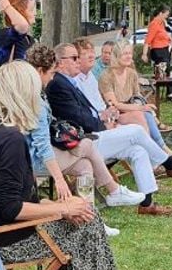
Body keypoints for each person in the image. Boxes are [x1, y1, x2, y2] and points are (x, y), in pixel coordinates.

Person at [0, 62, 130, 270]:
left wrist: (65, 206)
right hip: (4, 242)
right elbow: (12, 208)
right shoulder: (11, 140)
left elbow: (18, 200)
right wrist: (63, 209)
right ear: (24, 94)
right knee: (86, 224)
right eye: (35, 90)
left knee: (83, 215)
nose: (40, 96)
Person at [47, 43, 172, 216]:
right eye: (74, 58)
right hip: (85, 142)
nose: (78, 61)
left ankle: (147, 204)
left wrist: (105, 117)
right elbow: (79, 120)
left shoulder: (70, 82)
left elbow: (86, 114)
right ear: (60, 62)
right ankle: (171, 163)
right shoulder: (58, 85)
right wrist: (104, 124)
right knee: (135, 130)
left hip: (94, 134)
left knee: (138, 150)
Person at [19, 46, 146, 236]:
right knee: (87, 145)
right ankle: (113, 191)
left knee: (85, 165)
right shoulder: (35, 99)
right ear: (39, 71)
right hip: (33, 161)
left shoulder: (34, 93)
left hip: (37, 155)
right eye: (51, 73)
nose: (53, 78)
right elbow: (41, 145)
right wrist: (60, 180)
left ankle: (91, 220)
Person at [99, 40, 172, 151]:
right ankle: (161, 151)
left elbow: (137, 96)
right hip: (114, 114)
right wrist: (141, 108)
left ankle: (162, 149)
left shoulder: (131, 73)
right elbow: (114, 104)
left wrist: (143, 107)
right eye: (125, 53)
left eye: (130, 53)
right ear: (116, 56)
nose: (128, 56)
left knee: (145, 113)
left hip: (132, 109)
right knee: (141, 114)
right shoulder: (106, 76)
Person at [0, 0, 35, 65]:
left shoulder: (28, 39)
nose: (35, 13)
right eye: (31, 10)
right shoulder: (5, 36)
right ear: (20, 11)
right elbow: (22, 25)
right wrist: (7, 6)